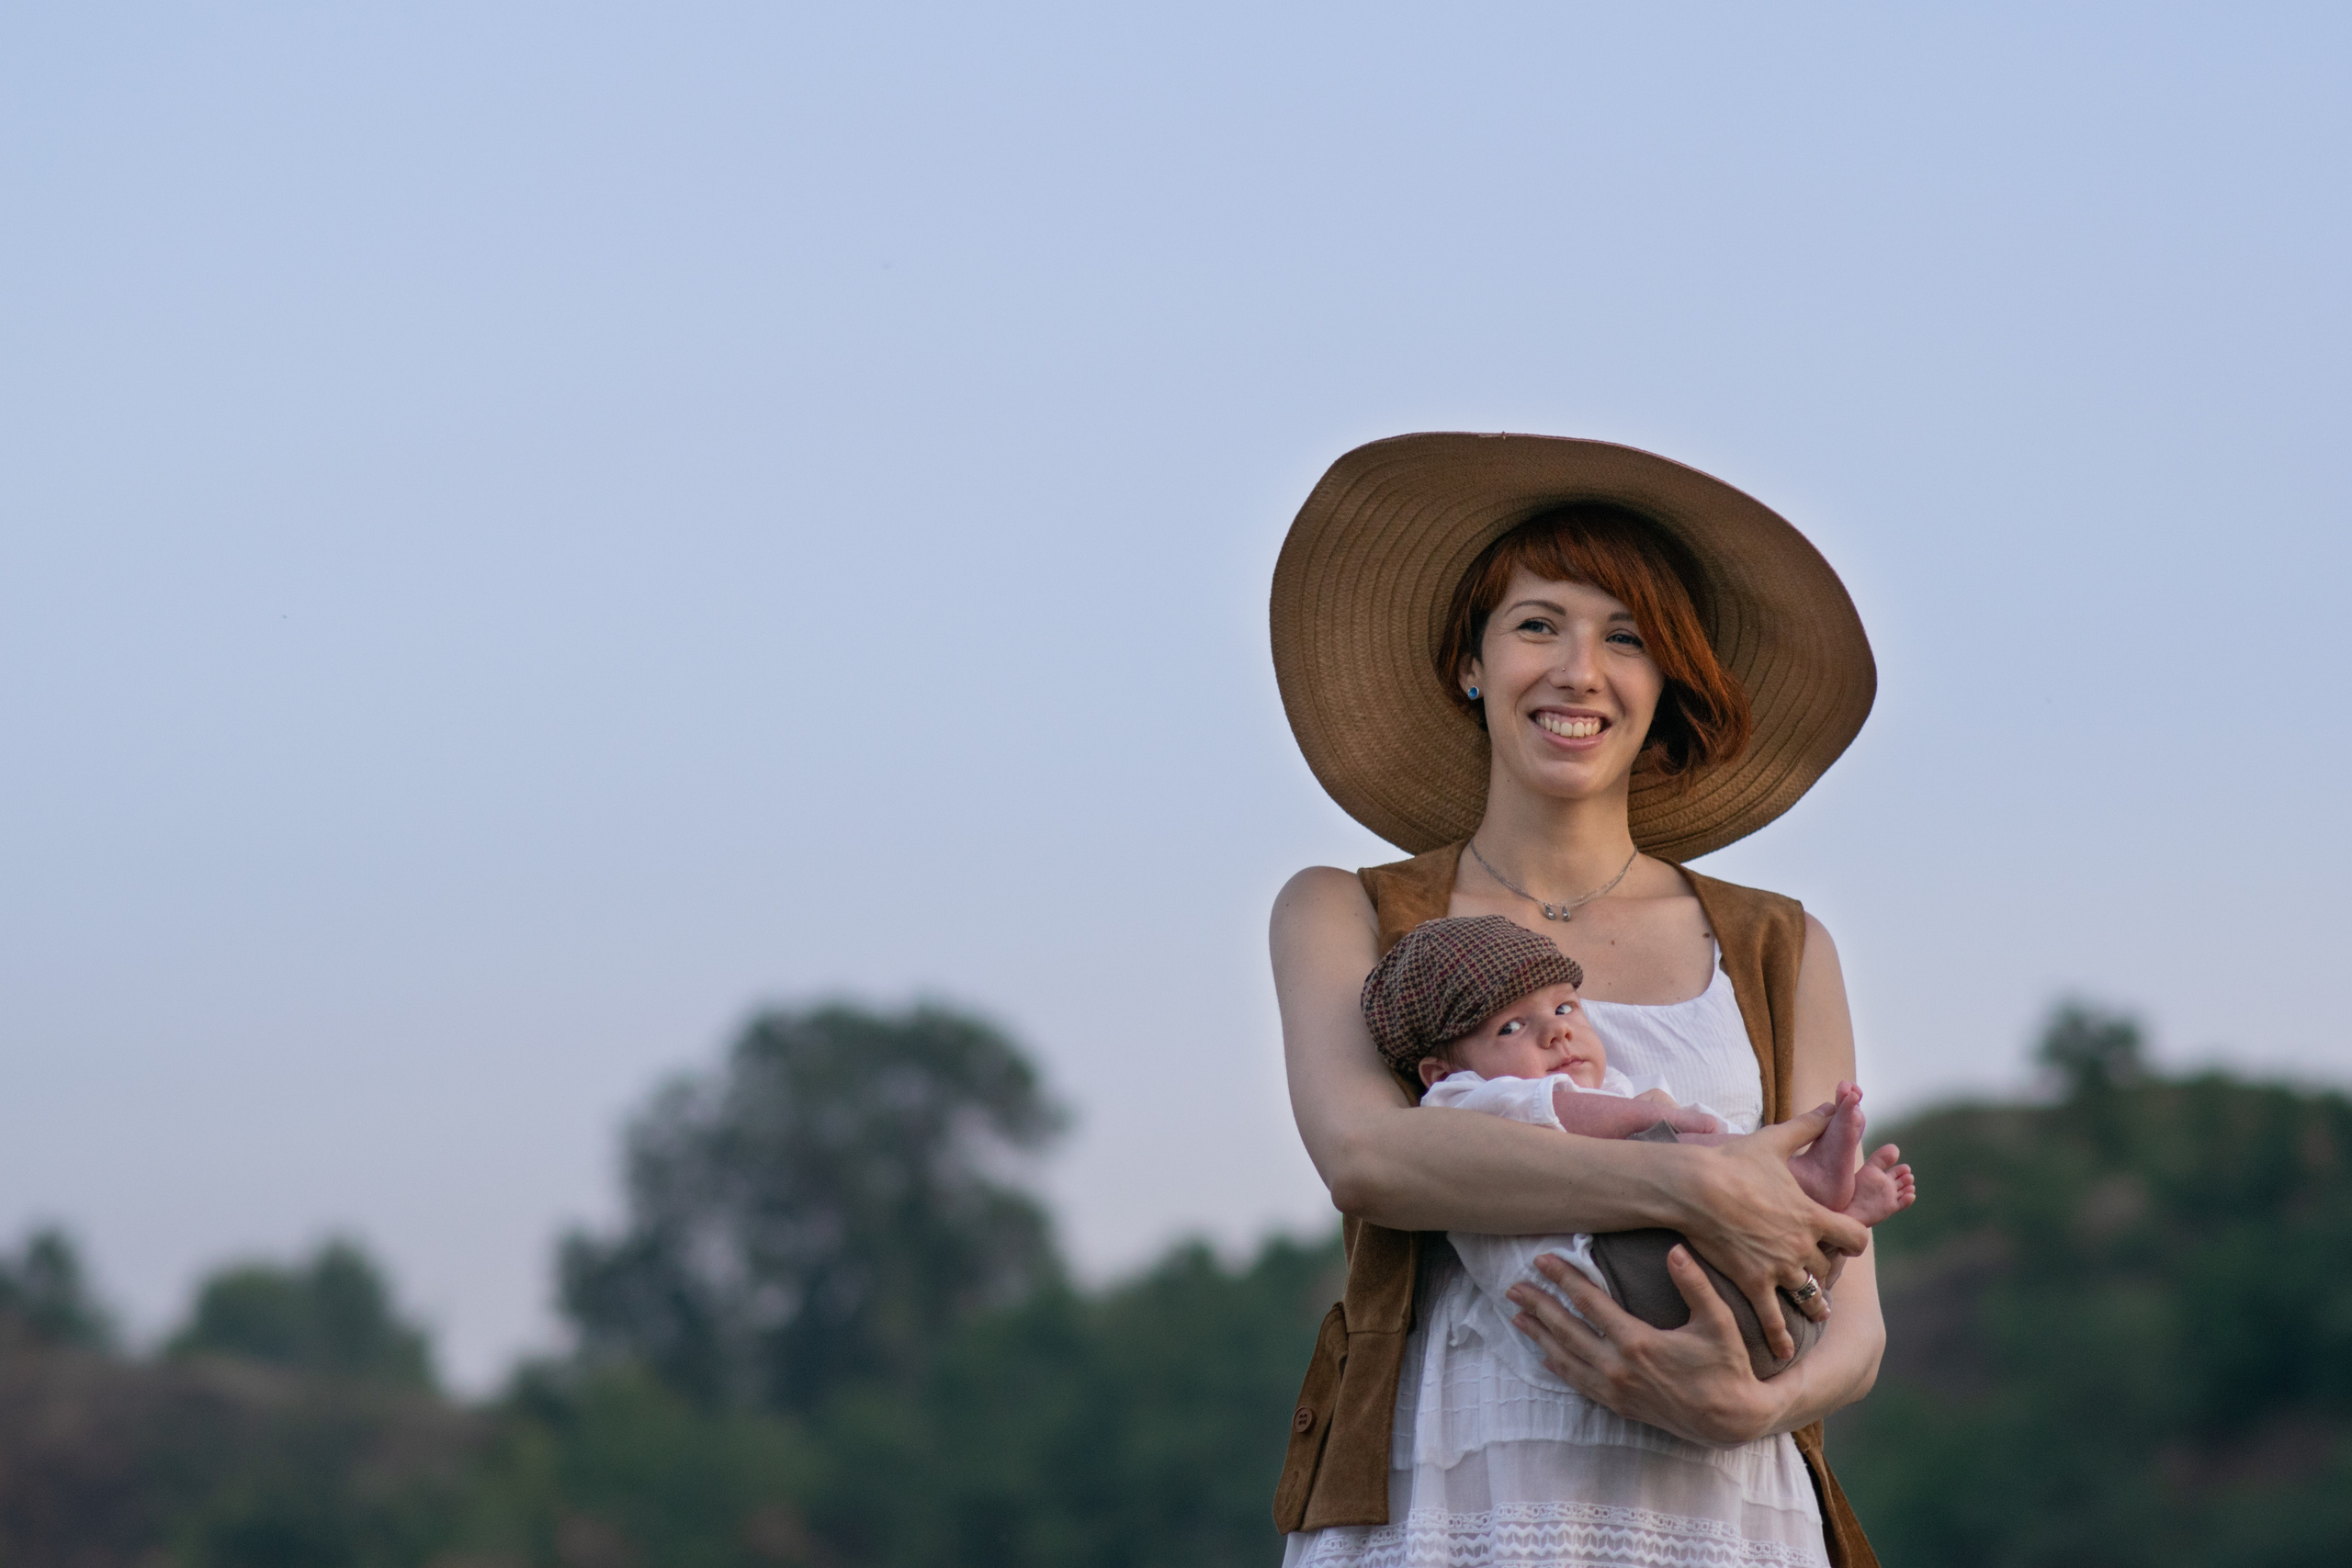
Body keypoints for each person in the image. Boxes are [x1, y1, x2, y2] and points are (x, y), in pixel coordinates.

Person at [1267, 434, 1892, 1567]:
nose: (1579, 671)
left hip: (1720, 1510)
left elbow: (1852, 1318)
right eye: (1537, 625)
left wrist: (1748, 1407)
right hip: (1453, 1499)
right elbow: (1370, 1158)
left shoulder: (1779, 945)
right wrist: (1696, 1179)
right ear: (1470, 663)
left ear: (1665, 684)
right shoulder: (1346, 912)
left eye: (1627, 637)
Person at [1363, 912, 1915, 1389]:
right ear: (1441, 1072)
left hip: (1758, 1325)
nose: (1556, 1033)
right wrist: (1661, 1118)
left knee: (1762, 1227)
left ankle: (1832, 1215)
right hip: (1620, 1288)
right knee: (1676, 1150)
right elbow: (1563, 1111)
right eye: (1510, 1027)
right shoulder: (1461, 1099)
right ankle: (1807, 1180)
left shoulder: (1615, 1088)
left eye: (1564, 1008)